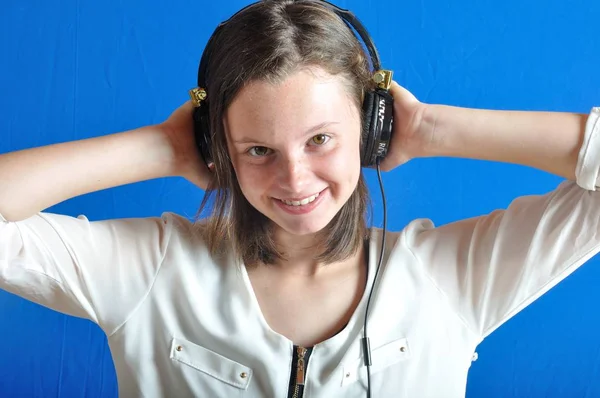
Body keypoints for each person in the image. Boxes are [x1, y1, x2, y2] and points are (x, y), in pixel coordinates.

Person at [0, 0, 598, 397]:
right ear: (219, 147)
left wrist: (434, 129)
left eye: (320, 139)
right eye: (258, 149)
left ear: (370, 129)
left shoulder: (452, 276)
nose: (294, 178)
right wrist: (165, 146)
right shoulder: (148, 270)